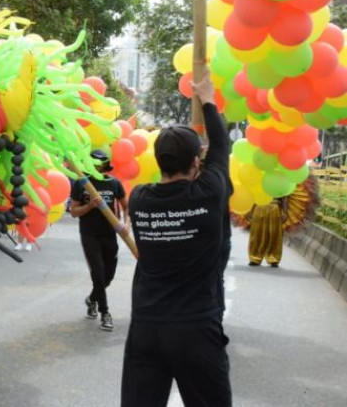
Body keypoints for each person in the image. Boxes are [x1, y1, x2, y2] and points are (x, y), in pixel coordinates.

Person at [121, 67, 231, 407]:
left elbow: (216, 152)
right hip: (196, 329)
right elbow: (222, 147)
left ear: (159, 161)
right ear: (196, 162)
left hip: (146, 329)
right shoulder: (209, 193)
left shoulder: (139, 199)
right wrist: (209, 99)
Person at [68, 149, 127, 332]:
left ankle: (92, 299)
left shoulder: (114, 183)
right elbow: (74, 211)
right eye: (93, 163)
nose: (97, 166)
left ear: (105, 164)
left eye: (100, 163)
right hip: (89, 234)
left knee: (108, 276)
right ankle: (105, 313)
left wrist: (126, 225)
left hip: (109, 234)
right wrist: (90, 206)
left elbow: (126, 206)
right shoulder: (81, 183)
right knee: (98, 274)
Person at [248, 197, 287, 267]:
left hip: (274, 208)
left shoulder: (281, 185)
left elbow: (284, 196)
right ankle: (255, 258)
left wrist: (284, 212)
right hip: (259, 206)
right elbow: (253, 194)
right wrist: (250, 210)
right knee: (256, 234)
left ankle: (273, 258)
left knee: (274, 234)